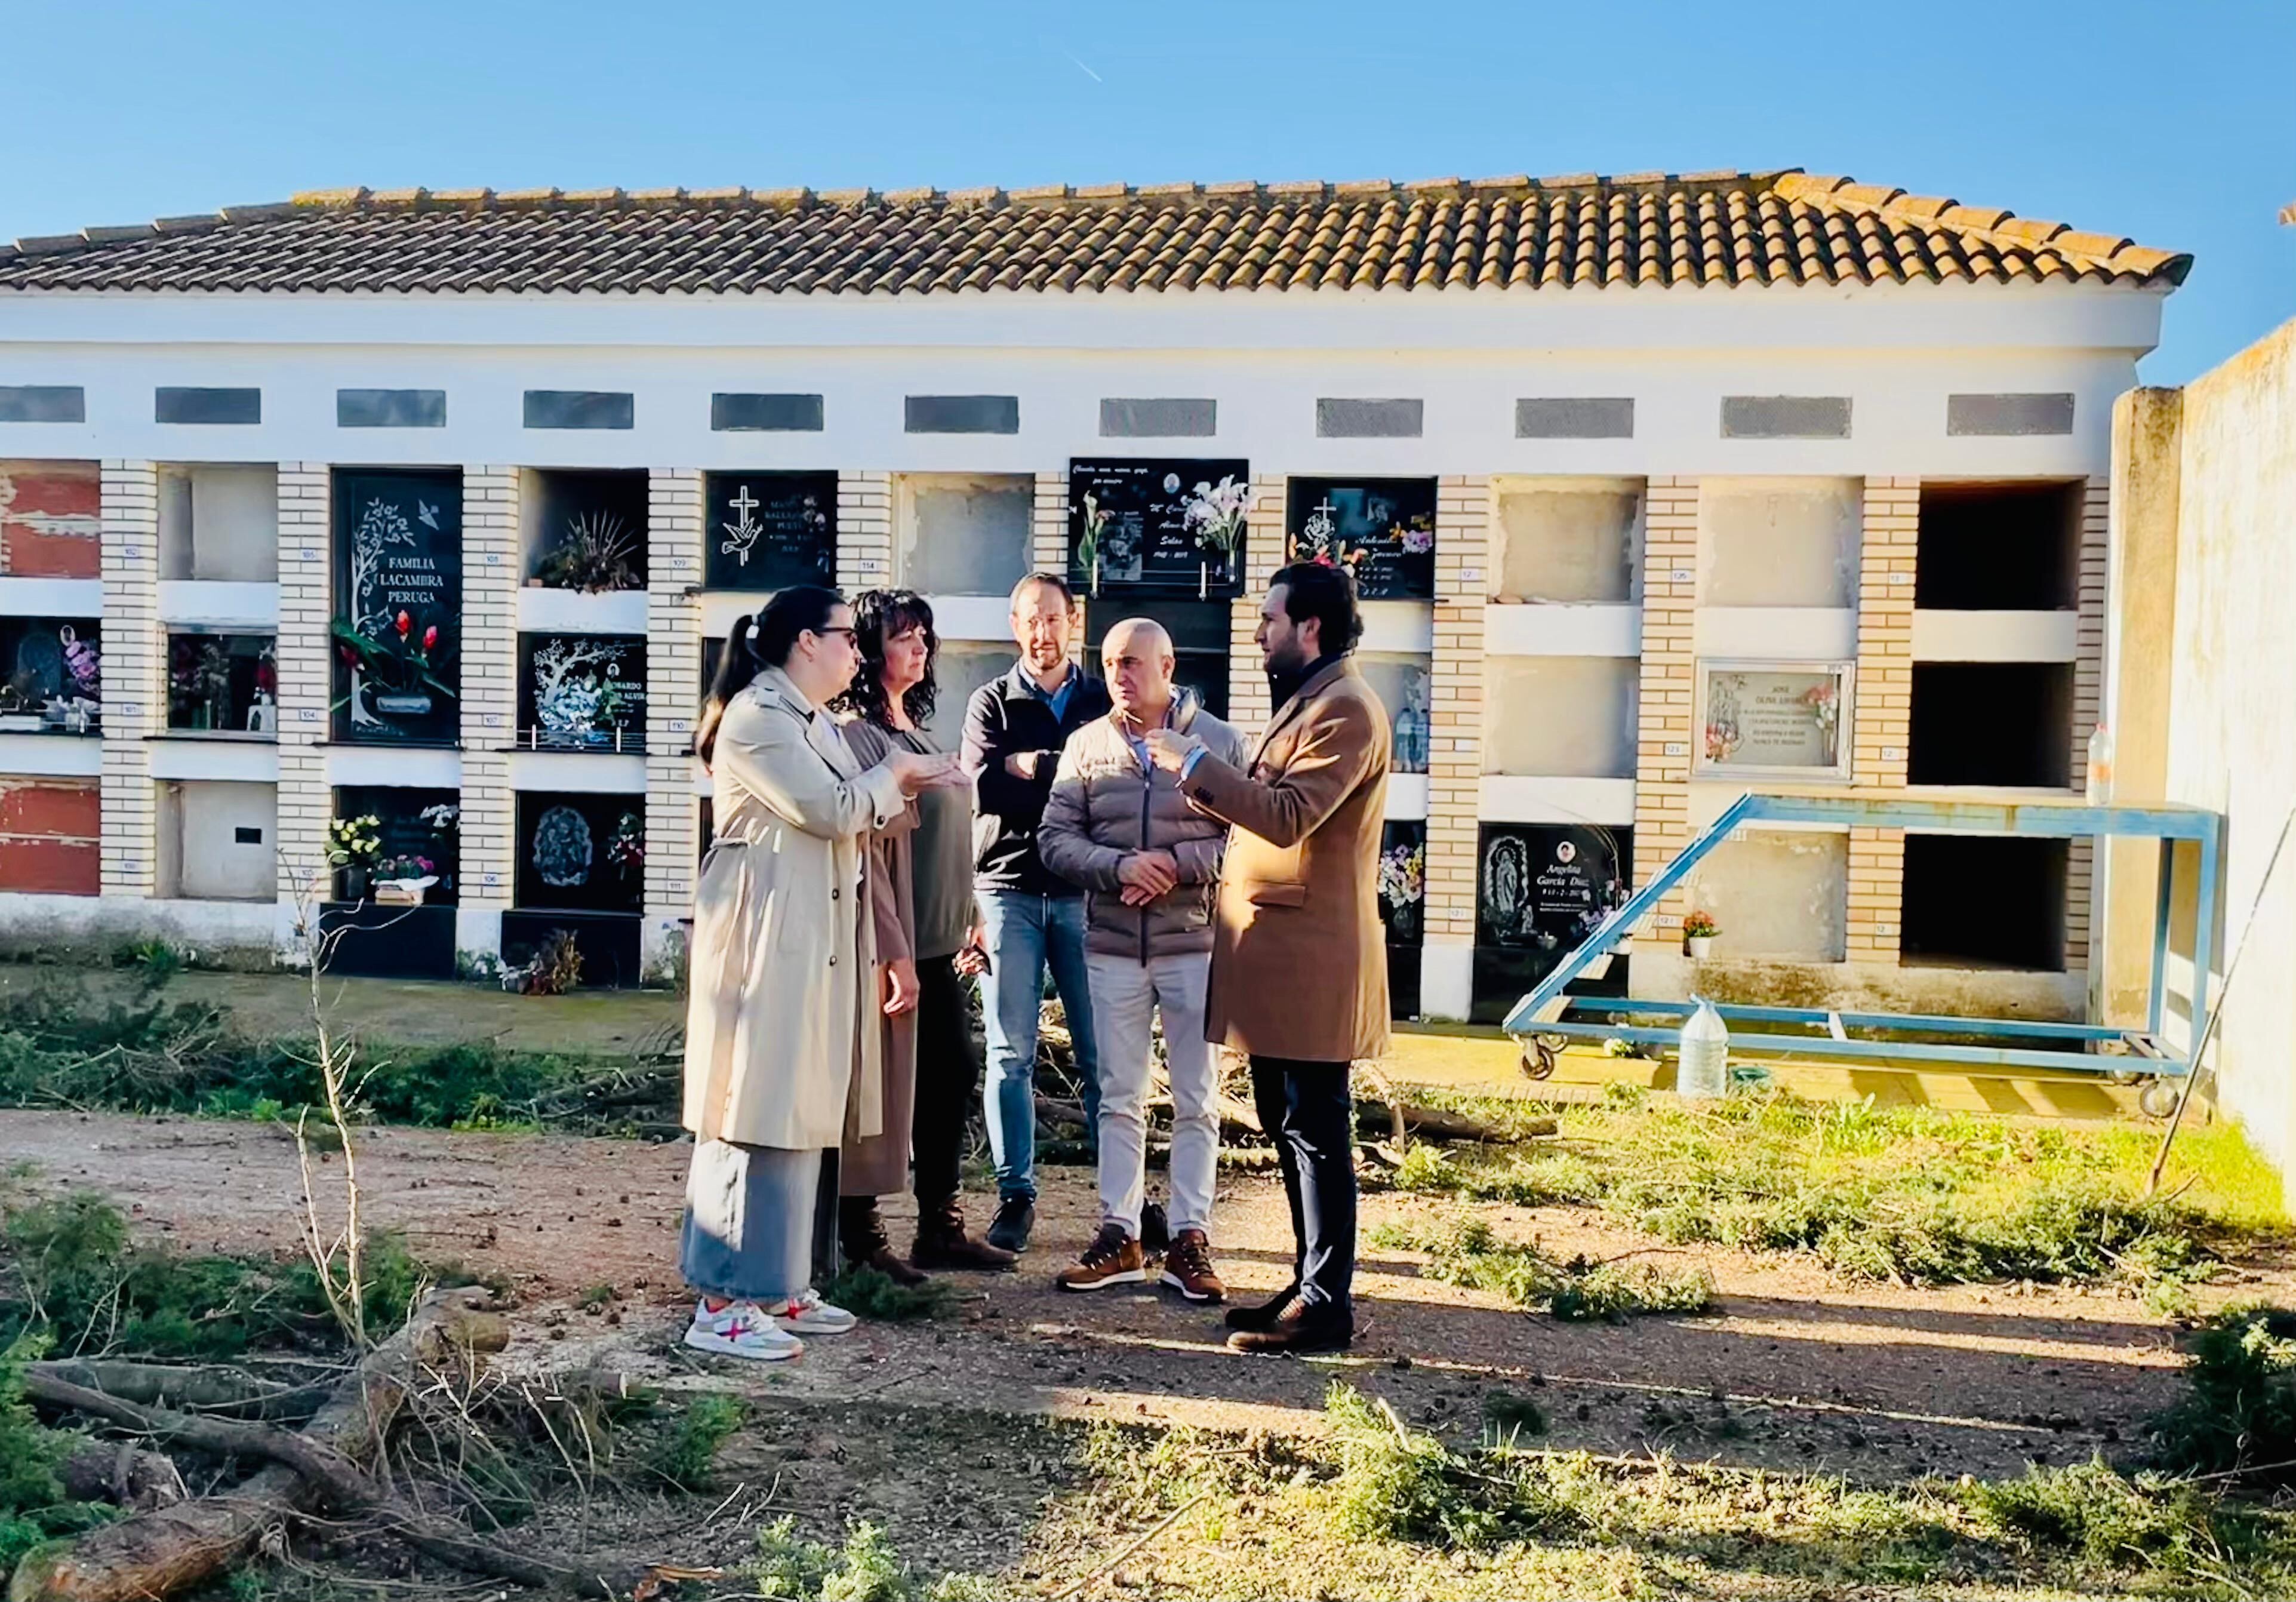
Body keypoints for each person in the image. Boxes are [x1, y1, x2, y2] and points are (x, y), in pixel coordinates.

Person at [680, 586, 964, 1362]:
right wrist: (897, 777)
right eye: (846, 636)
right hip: (761, 946)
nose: (857, 652)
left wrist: (903, 778)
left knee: (800, 1110)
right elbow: (832, 808)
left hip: (808, 946)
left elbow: (862, 808)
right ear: (805, 641)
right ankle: (720, 1299)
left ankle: (777, 1283)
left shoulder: (812, 722)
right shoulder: (755, 717)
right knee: (747, 1112)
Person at [1147, 562, 1390, 1355]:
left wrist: (1191, 762)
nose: (1258, 635)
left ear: (1309, 627)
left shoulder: (1347, 708)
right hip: (1278, 955)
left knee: (1316, 1126)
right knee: (1289, 1123)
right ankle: (1307, 1282)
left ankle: (1325, 1303)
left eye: (1270, 621)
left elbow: (1287, 816)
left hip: (1312, 957)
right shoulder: (1314, 699)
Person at [1038, 619, 1246, 1302]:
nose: (1120, 674)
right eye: (1109, 662)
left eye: (1131, 662)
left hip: (1196, 946)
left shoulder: (1217, 741)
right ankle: (1120, 1234)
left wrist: (1175, 866)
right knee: (1118, 1098)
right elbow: (1056, 840)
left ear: (1168, 662)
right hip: (1114, 948)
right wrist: (1122, 864)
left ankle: (1188, 1236)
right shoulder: (1086, 746)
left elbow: (1247, 841)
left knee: (1197, 1099)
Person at [832, 590, 1015, 1280]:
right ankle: (863, 1237)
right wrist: (896, 951)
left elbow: (948, 835)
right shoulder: (859, 735)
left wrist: (970, 911)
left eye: (925, 637)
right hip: (894, 946)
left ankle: (940, 1227)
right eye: (905, 637)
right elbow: (869, 853)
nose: (921, 648)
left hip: (941, 941)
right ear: (871, 648)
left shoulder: (916, 730)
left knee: (951, 1075)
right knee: (882, 1091)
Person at [960, 572, 1113, 1254]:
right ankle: (1015, 1194)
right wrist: (1053, 776)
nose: (1041, 633)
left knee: (1101, 1056)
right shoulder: (990, 702)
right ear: (1014, 626)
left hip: (1085, 895)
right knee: (1008, 1052)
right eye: (1029, 620)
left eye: (1053, 618)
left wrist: (1033, 766)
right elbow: (985, 789)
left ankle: (1123, 1205)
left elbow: (1114, 790)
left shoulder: (1103, 699)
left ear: (1072, 621)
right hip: (1007, 891)